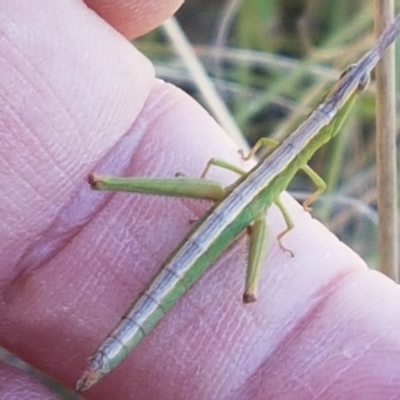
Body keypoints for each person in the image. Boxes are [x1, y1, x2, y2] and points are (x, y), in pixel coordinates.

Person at [2, 1, 400, 398]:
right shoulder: (314, 158)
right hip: (246, 210)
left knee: (238, 221)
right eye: (352, 78)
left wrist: (249, 159)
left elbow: (264, 144)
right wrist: (297, 211)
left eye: (357, 82)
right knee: (259, 270)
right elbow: (312, 186)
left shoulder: (298, 131)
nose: (353, 82)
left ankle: (100, 358)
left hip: (236, 199)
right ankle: (102, 354)